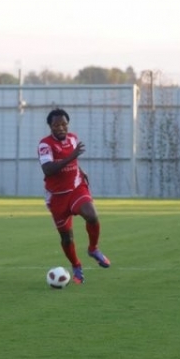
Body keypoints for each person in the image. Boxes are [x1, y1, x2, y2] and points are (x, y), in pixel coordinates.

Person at [38, 108, 110, 284]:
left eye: (64, 124)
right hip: (57, 196)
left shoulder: (73, 138)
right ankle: (76, 265)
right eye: (56, 125)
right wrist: (71, 157)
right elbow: (48, 169)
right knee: (66, 237)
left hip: (76, 188)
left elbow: (74, 160)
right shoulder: (45, 145)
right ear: (50, 126)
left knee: (92, 215)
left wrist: (80, 170)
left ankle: (93, 249)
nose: (61, 128)